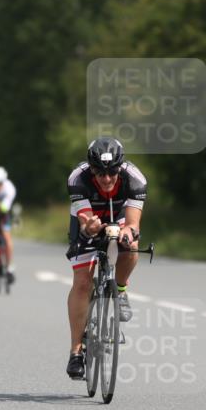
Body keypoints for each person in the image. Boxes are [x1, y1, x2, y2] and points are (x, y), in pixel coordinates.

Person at [64, 137, 146, 379]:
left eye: (112, 173)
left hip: (120, 217)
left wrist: (126, 234)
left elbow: (132, 224)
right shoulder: (77, 179)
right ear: (91, 169)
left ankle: (119, 290)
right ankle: (76, 352)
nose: (107, 178)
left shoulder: (135, 179)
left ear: (120, 168)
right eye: (100, 173)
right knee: (82, 282)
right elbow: (86, 223)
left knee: (131, 246)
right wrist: (89, 228)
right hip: (89, 219)